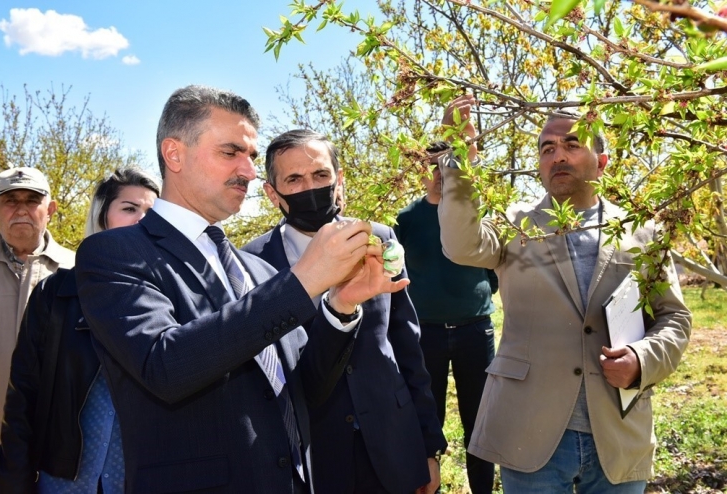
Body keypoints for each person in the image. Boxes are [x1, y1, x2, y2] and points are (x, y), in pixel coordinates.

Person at [73, 85, 406, 494]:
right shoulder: (114, 254)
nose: (249, 171)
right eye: (231, 153)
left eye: (250, 156)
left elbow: (303, 389)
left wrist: (340, 305)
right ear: (174, 154)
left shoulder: (257, 270)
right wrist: (305, 281)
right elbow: (164, 365)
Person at [436, 94, 691, 493]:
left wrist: (643, 359)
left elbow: (674, 317)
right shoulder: (513, 224)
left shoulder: (643, 233)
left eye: (572, 145)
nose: (558, 156)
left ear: (602, 162)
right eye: (547, 149)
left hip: (618, 436)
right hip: (529, 434)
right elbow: (461, 244)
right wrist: (459, 154)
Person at [243, 129, 447, 494]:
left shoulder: (379, 239)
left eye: (321, 175)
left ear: (340, 181)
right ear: (272, 194)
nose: (311, 187)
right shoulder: (253, 262)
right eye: (294, 179)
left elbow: (407, 344)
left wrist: (429, 446)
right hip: (315, 456)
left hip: (392, 446)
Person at [0, 168, 160, 493]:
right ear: (102, 215)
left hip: (143, 478)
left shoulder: (175, 295)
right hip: (64, 480)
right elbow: (23, 398)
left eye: (151, 212)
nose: (142, 219)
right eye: (129, 208)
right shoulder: (56, 293)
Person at [394, 140, 499, 494]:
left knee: (480, 422)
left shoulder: (475, 213)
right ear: (421, 173)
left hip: (475, 331)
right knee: (428, 419)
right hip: (426, 335)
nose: (440, 175)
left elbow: (493, 265)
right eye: (432, 167)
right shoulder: (406, 220)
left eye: (448, 165)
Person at [0, 167, 75, 487]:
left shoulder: (77, 271)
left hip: (50, 441)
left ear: (50, 210)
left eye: (32, 200)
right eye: (10, 200)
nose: (21, 209)